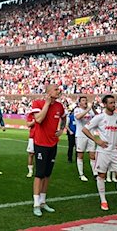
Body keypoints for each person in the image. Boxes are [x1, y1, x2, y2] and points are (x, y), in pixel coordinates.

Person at [82, 95, 117, 214]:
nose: (114, 105)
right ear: (104, 104)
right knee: (101, 175)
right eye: (111, 103)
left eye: (114, 102)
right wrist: (96, 140)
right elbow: (85, 129)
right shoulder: (100, 117)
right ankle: (103, 200)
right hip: (103, 152)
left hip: (116, 152)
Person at [30, 84, 66, 217]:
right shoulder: (38, 102)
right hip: (40, 143)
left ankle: (43, 202)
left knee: (47, 174)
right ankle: (36, 204)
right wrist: (47, 104)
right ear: (49, 92)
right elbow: (38, 119)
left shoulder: (59, 106)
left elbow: (63, 117)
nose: (59, 91)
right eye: (56, 89)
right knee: (39, 174)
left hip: (53, 143)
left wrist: (61, 129)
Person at [74, 96, 98, 181]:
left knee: (92, 155)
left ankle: (95, 173)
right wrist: (88, 109)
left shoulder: (90, 110)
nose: (85, 102)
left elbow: (98, 116)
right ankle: (81, 174)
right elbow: (78, 117)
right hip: (81, 135)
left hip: (90, 135)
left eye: (86, 100)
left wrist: (93, 108)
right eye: (83, 100)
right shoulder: (77, 110)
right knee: (80, 155)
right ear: (79, 103)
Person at [25, 111, 36, 178]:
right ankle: (30, 171)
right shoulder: (31, 115)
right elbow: (28, 124)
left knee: (40, 155)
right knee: (31, 154)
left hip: (41, 137)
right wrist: (35, 121)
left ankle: (39, 171)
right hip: (32, 136)